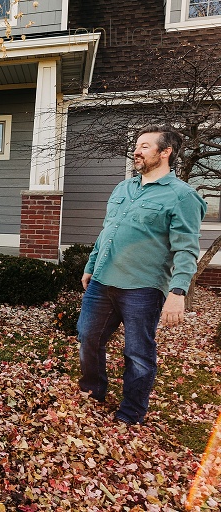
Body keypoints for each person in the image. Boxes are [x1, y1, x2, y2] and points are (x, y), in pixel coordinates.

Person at [77, 124, 206, 425]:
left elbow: (186, 248)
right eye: (137, 145)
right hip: (102, 281)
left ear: (165, 152)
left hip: (143, 288)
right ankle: (93, 392)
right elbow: (107, 232)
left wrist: (177, 292)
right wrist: (91, 265)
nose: (137, 150)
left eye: (145, 146)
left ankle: (131, 412)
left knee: (137, 353)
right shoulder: (124, 188)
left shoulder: (182, 196)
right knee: (88, 338)